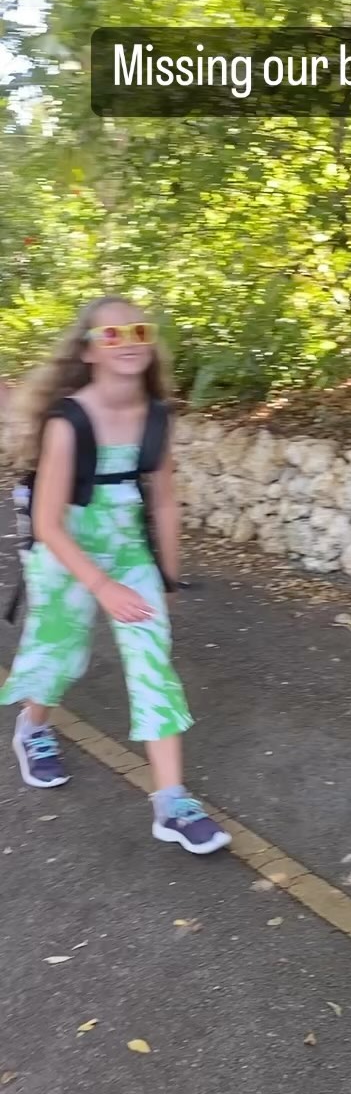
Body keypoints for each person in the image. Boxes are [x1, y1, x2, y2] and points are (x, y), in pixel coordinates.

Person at [0, 295, 230, 856]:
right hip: (65, 549)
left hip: (128, 552)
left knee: (153, 662)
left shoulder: (156, 416)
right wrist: (100, 586)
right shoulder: (69, 422)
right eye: (111, 335)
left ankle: (171, 803)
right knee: (60, 653)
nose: (128, 342)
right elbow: (48, 523)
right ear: (88, 352)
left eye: (138, 331)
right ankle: (33, 727)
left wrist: (167, 579)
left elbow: (164, 502)